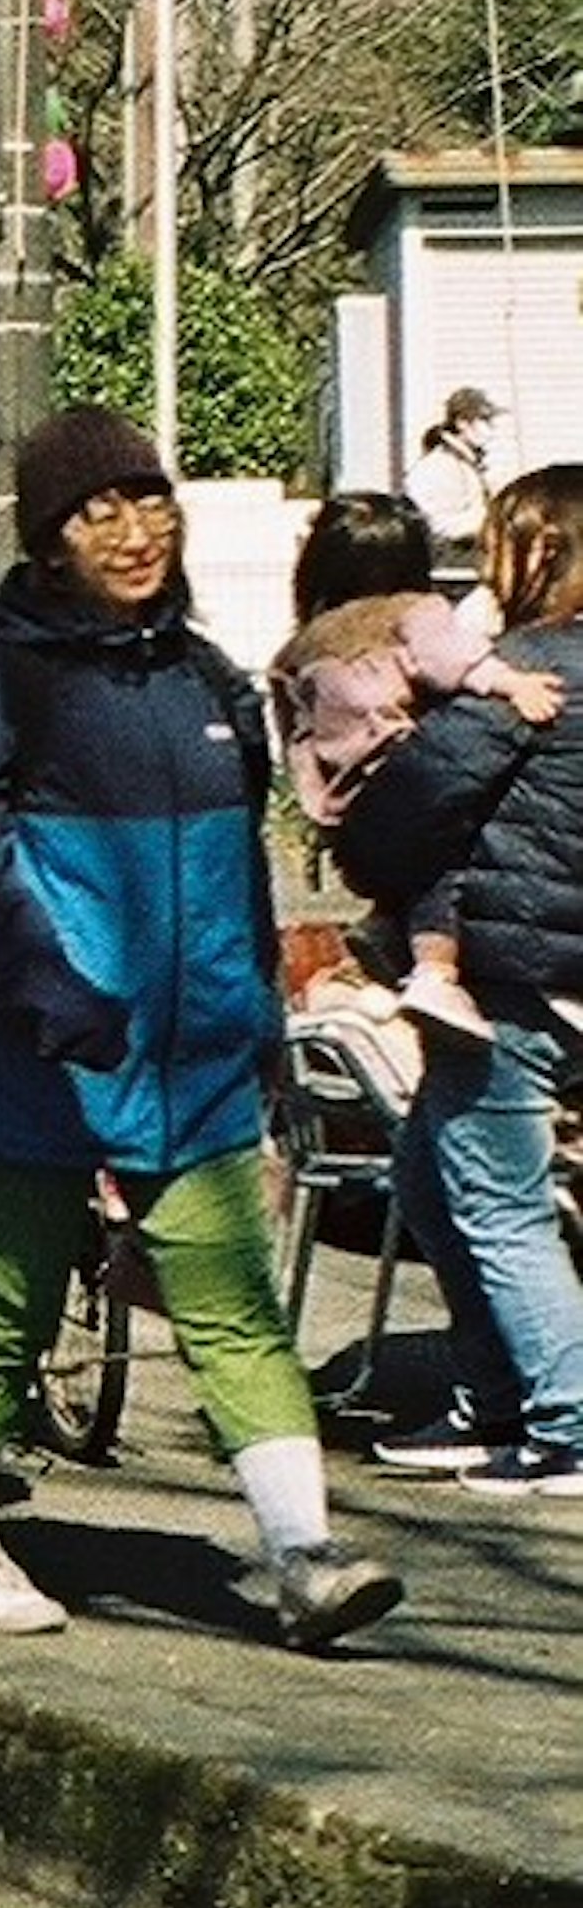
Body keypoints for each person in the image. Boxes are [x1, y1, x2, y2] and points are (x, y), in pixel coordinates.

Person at [0, 404, 402, 1649]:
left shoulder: (207, 679)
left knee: (233, 1298)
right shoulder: (2, 678)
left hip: (193, 1063)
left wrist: (259, 1019)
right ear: (50, 538)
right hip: (33, 1055)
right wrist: (45, 987)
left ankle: (304, 1553)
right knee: (6, 1295)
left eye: (149, 501)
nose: (133, 531)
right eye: (97, 510)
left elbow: (238, 873)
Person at [335, 462, 583, 1492]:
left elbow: (399, 815)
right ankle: (494, 1401)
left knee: (496, 1203)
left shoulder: (520, 678)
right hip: (555, 971)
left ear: (539, 554)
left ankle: (568, 1421)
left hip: (509, 978)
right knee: (435, 1185)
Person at [269, 483, 560, 1048]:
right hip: (410, 773)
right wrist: (509, 682)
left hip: (343, 799)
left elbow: (295, 733)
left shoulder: (299, 648)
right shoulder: (415, 611)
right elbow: (451, 662)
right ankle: (435, 971)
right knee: (448, 862)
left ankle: (386, 933)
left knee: (406, 873)